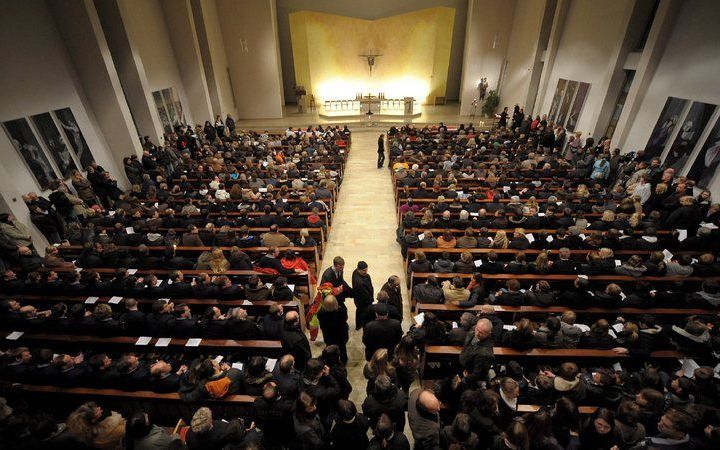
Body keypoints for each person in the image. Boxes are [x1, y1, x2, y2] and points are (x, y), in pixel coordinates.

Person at [459, 318, 495, 388]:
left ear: (488, 334)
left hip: (471, 376)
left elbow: (477, 374)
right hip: (465, 364)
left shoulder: (485, 354)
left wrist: (465, 379)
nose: (477, 333)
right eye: (477, 329)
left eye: (481, 332)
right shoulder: (474, 332)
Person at [317, 294, 349, 363]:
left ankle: (332, 362)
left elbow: (322, 324)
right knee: (342, 348)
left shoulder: (321, 313)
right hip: (341, 335)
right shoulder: (341, 311)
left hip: (328, 335)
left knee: (330, 349)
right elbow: (345, 318)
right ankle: (344, 360)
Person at [352, 260, 374, 330]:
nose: (366, 272)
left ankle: (358, 325)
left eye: (366, 270)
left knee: (359, 311)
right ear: (359, 270)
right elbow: (366, 295)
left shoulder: (355, 272)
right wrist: (371, 300)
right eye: (364, 270)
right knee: (362, 312)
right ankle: (361, 325)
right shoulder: (360, 283)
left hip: (359, 298)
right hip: (362, 301)